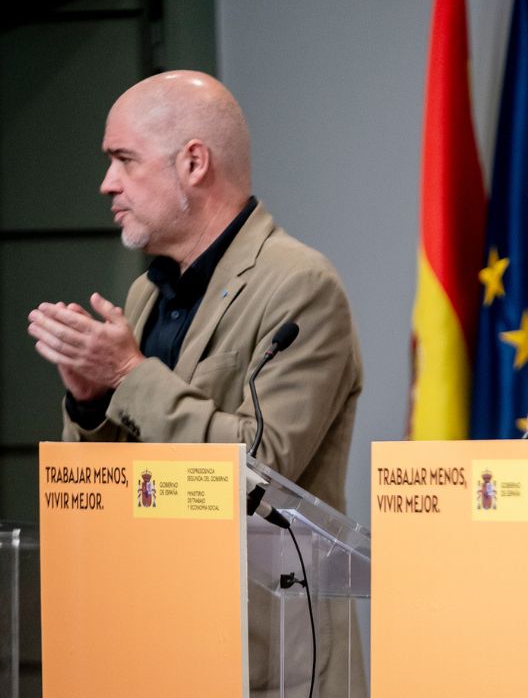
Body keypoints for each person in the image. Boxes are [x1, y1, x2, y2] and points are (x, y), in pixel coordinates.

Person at [26, 70, 364, 696]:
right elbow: (124, 485)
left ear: (194, 163)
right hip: (153, 636)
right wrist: (91, 400)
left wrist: (127, 374)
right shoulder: (145, 294)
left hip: (266, 654)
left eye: (123, 159)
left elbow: (262, 467)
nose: (107, 183)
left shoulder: (300, 286)